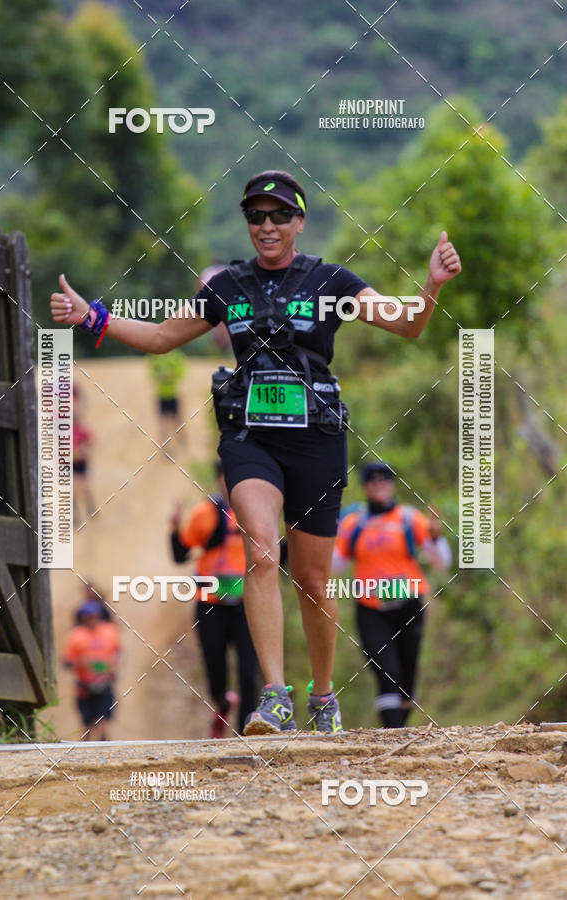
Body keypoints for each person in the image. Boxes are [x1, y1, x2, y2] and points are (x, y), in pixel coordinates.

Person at [50, 168, 462, 735]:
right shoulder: (227, 287)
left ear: (299, 222)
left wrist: (432, 285)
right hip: (250, 439)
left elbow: (408, 325)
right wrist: (94, 317)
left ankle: (323, 696)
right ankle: (274, 697)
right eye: (256, 216)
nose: (267, 226)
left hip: (316, 440)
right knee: (263, 554)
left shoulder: (331, 281)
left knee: (312, 580)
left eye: (279, 215)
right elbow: (162, 338)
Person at [333, 461, 452, 727]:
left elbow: (441, 562)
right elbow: (335, 566)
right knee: (387, 673)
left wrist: (435, 538)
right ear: (365, 487)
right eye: (373, 481)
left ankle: (399, 728)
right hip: (370, 608)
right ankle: (393, 735)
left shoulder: (409, 518)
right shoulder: (353, 523)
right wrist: (327, 533)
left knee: (407, 681)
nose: (380, 485)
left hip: (409, 605)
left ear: (393, 485)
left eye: (385, 480)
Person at [170, 460, 258, 737]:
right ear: (219, 479)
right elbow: (180, 554)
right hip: (211, 606)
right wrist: (174, 530)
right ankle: (222, 704)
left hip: (247, 606)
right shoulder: (204, 514)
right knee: (215, 669)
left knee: (248, 672)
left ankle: (246, 732)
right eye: (225, 476)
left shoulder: (258, 512)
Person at [63, 592, 121, 740]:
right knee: (87, 724)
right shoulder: (76, 635)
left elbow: (117, 653)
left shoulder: (110, 632)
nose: (92, 619)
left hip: (104, 685)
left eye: (94, 616)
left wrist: (109, 667)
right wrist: (82, 663)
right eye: (88, 616)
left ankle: (103, 743)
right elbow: (67, 662)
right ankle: (87, 747)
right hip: (84, 687)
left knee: (103, 722)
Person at [148, 347, 188, 453]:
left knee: (178, 421)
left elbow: (183, 371)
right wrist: (160, 376)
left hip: (174, 394)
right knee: (163, 423)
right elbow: (151, 373)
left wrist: (172, 375)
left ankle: (182, 443)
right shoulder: (155, 357)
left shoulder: (176, 355)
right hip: (161, 395)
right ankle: (166, 448)